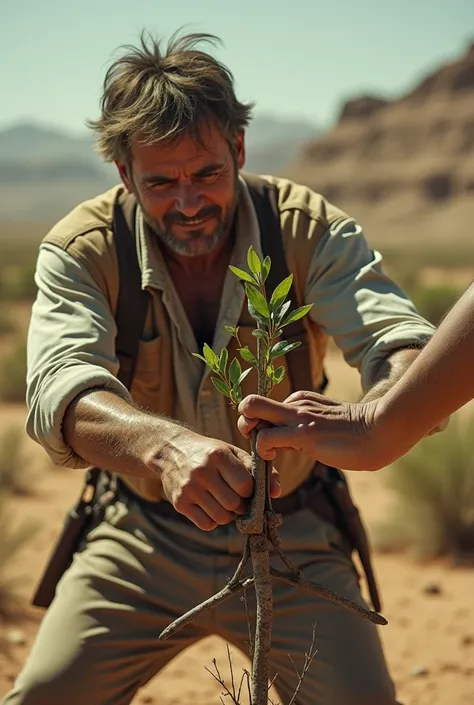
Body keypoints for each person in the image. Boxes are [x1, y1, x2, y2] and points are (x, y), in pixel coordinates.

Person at [2, 30, 441, 705]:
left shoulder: (305, 227)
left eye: (206, 173)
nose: (188, 201)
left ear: (238, 148)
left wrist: (379, 411)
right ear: (124, 173)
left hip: (292, 530)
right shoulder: (83, 248)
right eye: (160, 182)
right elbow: (58, 391)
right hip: (142, 538)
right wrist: (164, 447)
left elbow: (397, 339)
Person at [238, 282, 474, 471]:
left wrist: (375, 419)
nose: (198, 218)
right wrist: (197, 443)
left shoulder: (309, 233)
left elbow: (398, 336)